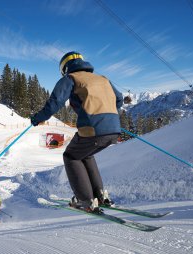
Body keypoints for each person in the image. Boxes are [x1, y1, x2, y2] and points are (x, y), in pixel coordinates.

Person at [31, 51, 123, 213]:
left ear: (65, 67)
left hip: (93, 129)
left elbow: (55, 102)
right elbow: (119, 98)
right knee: (85, 154)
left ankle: (85, 200)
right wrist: (108, 115)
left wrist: (38, 117)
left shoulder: (71, 79)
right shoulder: (103, 79)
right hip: (114, 129)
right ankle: (100, 196)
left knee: (71, 156)